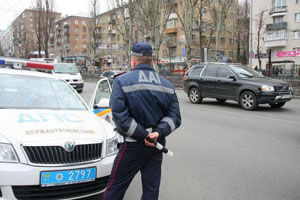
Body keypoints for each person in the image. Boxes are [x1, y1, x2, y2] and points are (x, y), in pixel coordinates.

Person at [103, 42, 181, 200]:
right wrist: (157, 132)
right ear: (152, 61)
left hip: (132, 145)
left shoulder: (122, 81)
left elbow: (120, 116)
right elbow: (174, 117)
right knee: (151, 190)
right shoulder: (167, 84)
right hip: (156, 144)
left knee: (116, 188)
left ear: (133, 60)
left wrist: (142, 135)